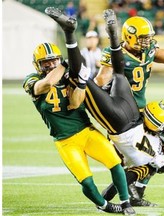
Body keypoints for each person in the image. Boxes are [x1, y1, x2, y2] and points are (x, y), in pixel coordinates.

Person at [44, 7, 164, 209]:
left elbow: (163, 134)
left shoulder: (157, 149)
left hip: (130, 113)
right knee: (85, 78)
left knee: (116, 73)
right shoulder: (152, 162)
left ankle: (111, 37)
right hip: (122, 123)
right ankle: (74, 34)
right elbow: (126, 173)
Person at [23, 9, 136, 216]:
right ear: (37, 65)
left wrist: (82, 83)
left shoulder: (68, 77)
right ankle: (105, 206)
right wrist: (64, 64)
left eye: (53, 60)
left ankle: (126, 202)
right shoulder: (32, 80)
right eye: (45, 62)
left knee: (115, 163)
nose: (49, 64)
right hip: (65, 140)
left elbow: (75, 103)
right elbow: (45, 85)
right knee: (86, 181)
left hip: (86, 130)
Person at [95, 13, 164, 204]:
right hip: (124, 113)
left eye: (148, 38)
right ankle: (116, 196)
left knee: (158, 154)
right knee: (134, 158)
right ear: (129, 37)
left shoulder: (149, 49)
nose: (147, 42)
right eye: (143, 38)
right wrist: (106, 85)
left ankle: (131, 193)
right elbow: (101, 79)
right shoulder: (116, 53)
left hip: (143, 112)